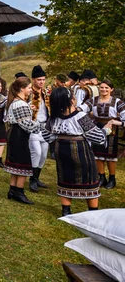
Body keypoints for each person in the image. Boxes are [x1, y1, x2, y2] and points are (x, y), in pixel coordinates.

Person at [42, 87, 110, 216]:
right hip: (80, 151)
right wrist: (106, 131)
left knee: (65, 177)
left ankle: (66, 210)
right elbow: (98, 137)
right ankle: (93, 212)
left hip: (61, 150)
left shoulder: (53, 118)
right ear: (71, 100)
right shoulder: (81, 117)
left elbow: (47, 136)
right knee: (89, 179)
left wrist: (58, 137)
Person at [78, 79, 125, 190]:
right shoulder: (93, 100)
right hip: (97, 127)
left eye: (106, 88)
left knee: (110, 155)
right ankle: (101, 177)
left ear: (111, 89)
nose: (104, 89)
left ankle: (112, 179)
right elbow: (81, 109)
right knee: (98, 154)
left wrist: (115, 122)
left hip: (111, 129)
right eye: (102, 87)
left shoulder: (118, 102)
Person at [4, 77, 39, 205]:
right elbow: (26, 124)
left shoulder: (17, 102)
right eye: (29, 88)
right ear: (22, 89)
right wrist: (41, 126)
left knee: (15, 164)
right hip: (19, 135)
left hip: (15, 134)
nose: (30, 90)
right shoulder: (20, 103)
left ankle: (12, 190)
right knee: (23, 163)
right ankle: (19, 192)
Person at [28, 65, 50, 193]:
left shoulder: (46, 93)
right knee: (36, 152)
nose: (41, 82)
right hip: (33, 126)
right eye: (38, 80)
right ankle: (32, 180)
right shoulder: (29, 93)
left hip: (45, 126)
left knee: (43, 154)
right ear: (33, 80)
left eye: (43, 79)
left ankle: (36, 178)